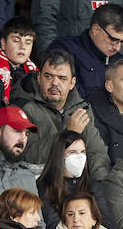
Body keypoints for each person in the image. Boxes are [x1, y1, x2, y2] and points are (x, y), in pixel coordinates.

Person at [13, 50, 109, 178]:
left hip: (75, 186)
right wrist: (68, 134)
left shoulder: (81, 108)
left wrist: (100, 186)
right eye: (48, 76)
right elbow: (27, 156)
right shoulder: (21, 108)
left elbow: (97, 152)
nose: (54, 83)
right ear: (39, 78)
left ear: (72, 83)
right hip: (37, 185)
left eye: (62, 78)